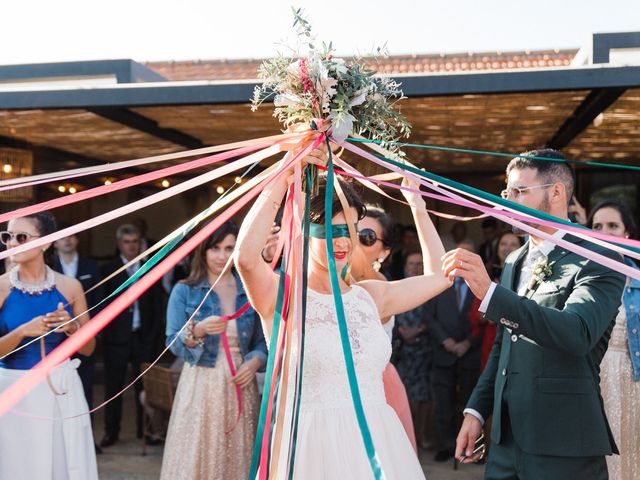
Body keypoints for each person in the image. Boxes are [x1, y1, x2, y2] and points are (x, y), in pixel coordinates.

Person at [235, 148, 450, 479]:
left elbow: (439, 278)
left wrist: (418, 206)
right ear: (304, 231)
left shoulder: (370, 297)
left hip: (378, 441)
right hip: (311, 446)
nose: (344, 242)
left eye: (351, 230)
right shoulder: (282, 295)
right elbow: (246, 259)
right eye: (332, 231)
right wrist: (286, 174)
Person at [448, 149, 625, 479]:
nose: (508, 201)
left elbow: (577, 333)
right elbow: (504, 344)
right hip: (506, 440)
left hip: (563, 440)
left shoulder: (599, 258)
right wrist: (475, 409)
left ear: (556, 192)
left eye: (519, 191)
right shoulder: (515, 259)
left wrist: (491, 294)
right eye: (506, 192)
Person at [160, 220, 267, 480]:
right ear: (203, 250)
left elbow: (266, 339)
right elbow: (171, 341)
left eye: (229, 248)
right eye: (215, 248)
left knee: (237, 453)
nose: (222, 256)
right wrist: (196, 331)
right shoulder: (184, 290)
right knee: (197, 450)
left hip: (240, 382)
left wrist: (254, 362)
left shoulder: (250, 289)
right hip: (200, 382)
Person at [0, 211, 98, 479]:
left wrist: (72, 329)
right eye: (7, 236)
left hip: (60, 391)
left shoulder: (70, 287)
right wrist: (21, 332)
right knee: (18, 466)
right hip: (15, 391)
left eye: (21, 237)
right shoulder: (1, 288)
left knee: (62, 464)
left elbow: (89, 349)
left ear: (46, 242)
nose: (11, 244)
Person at [350, 204, 417, 451]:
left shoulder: (379, 288)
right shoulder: (328, 279)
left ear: (384, 252)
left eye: (365, 238)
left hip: (376, 391)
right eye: (350, 231)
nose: (354, 242)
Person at [588, 199, 640, 480]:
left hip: (633, 376)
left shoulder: (638, 278)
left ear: (627, 234)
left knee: (631, 449)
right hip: (589, 377)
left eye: (612, 226)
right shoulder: (581, 277)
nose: (604, 231)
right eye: (597, 226)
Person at [100, 223, 165, 448]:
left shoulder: (149, 267)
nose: (131, 246)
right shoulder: (109, 269)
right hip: (115, 339)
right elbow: (101, 305)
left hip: (143, 337)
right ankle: (111, 432)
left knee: (145, 387)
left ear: (141, 243)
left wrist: (153, 334)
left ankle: (146, 432)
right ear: (119, 244)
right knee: (113, 387)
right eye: (126, 242)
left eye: (135, 241)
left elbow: (158, 304)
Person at [428, 240, 483, 463]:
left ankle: (472, 449)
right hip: (444, 353)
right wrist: (446, 341)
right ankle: (446, 446)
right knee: (444, 404)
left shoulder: (482, 284)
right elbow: (428, 316)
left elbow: (487, 319)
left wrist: (467, 343)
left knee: (472, 404)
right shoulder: (439, 283)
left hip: (470, 353)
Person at [52, 230, 104, 412]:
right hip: (56, 338)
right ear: (54, 243)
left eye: (71, 235)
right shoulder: (48, 267)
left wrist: (94, 331)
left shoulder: (90, 266)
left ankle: (85, 430)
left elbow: (99, 300)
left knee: (85, 385)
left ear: (77, 240)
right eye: (62, 236)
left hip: (84, 333)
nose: (67, 239)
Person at [391, 249, 433, 451]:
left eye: (419, 264)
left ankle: (423, 433)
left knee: (424, 395)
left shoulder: (431, 289)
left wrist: (420, 330)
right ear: (405, 267)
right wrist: (400, 331)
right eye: (412, 264)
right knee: (404, 394)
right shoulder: (396, 288)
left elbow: (435, 317)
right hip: (402, 351)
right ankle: (405, 435)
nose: (416, 268)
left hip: (425, 350)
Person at [479, 231, 523, 370]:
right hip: (491, 338)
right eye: (503, 244)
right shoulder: (485, 273)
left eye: (513, 244)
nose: (507, 248)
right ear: (496, 247)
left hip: (519, 338)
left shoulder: (526, 275)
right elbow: (477, 314)